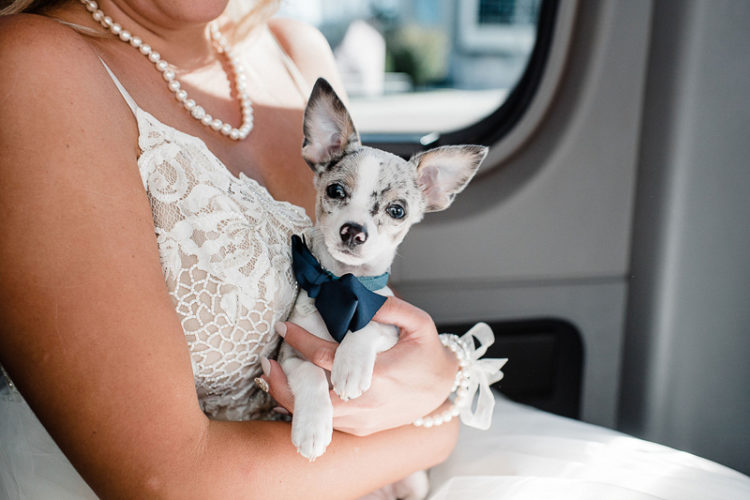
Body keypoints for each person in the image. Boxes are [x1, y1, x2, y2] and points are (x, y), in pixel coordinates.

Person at [0, 0, 462, 497]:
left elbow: (367, 306)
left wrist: (437, 376)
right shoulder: (32, 66)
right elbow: (172, 484)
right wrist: (438, 429)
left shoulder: (296, 50)